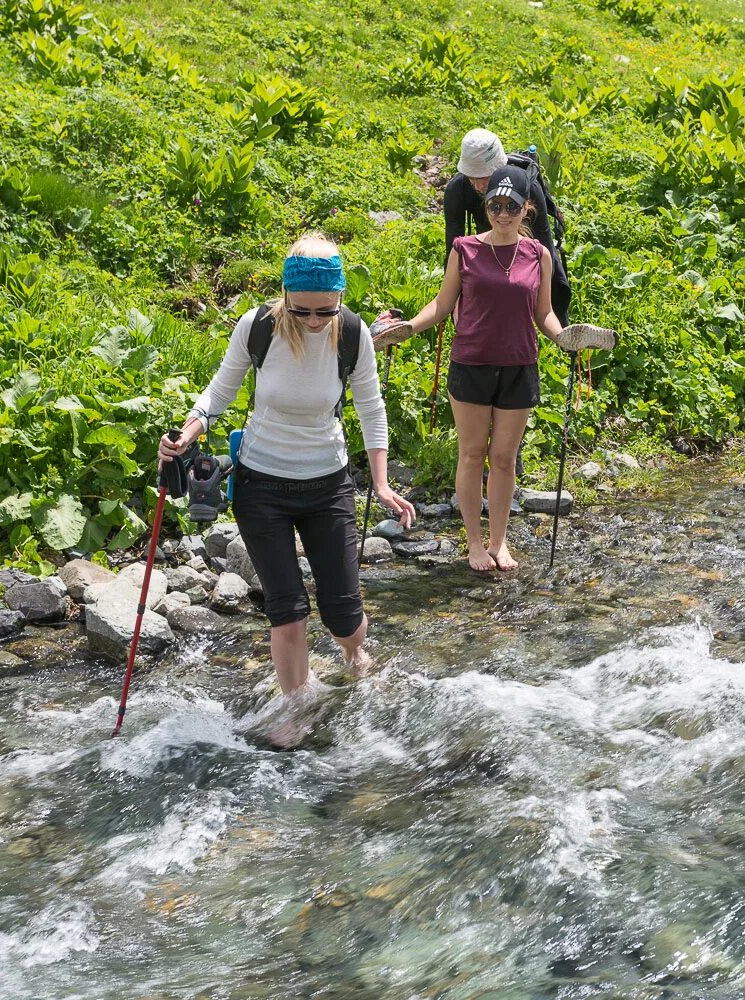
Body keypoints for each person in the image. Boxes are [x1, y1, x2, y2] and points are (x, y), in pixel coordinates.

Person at [159, 234, 415, 747]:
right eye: (303, 312)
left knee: (343, 612)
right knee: (288, 610)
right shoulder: (258, 328)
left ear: (339, 298)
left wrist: (382, 482)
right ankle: (298, 705)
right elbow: (222, 387)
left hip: (328, 485)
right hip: (262, 484)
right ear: (286, 296)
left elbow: (371, 407)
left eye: (326, 310)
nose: (316, 321)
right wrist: (190, 428)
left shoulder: (354, 334)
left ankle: (353, 655)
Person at [404, 164, 566, 573]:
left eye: (511, 206)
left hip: (519, 365)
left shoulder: (539, 255)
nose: (503, 213)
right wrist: (407, 328)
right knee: (473, 454)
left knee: (505, 458)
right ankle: (474, 544)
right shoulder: (464, 248)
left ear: (526, 208)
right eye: (495, 204)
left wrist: (565, 337)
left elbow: (543, 313)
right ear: (486, 205)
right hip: (471, 364)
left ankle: (499, 542)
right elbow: (442, 306)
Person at [443, 127, 571, 325]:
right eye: (472, 177)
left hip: (522, 257)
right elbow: (452, 251)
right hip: (483, 254)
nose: (477, 186)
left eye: (484, 178)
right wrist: (454, 302)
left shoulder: (528, 188)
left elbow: (545, 250)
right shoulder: (457, 189)